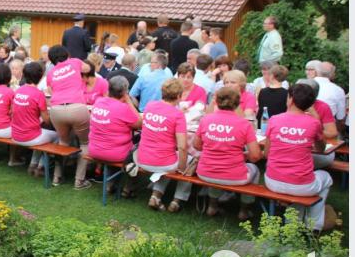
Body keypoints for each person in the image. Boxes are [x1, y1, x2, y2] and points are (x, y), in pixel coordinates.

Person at [263, 83, 332, 231]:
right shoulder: (314, 123)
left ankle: (294, 222)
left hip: (272, 180)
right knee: (326, 177)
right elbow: (321, 149)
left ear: (290, 99)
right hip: (302, 184)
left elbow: (266, 154)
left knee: (302, 183)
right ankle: (314, 225)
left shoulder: (274, 119)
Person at [194, 86, 263, 220]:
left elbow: (197, 145)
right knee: (254, 169)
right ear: (237, 103)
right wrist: (242, 154)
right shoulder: (244, 124)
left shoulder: (206, 120)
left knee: (217, 169)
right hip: (233, 175)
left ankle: (212, 206)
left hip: (205, 172)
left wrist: (215, 148)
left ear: (217, 102)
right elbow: (255, 156)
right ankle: (244, 209)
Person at [135, 78, 191, 212]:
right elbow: (182, 146)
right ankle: (177, 200)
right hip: (161, 161)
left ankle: (156, 196)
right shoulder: (177, 115)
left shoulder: (150, 105)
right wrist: (182, 168)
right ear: (178, 96)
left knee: (167, 162)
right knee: (188, 161)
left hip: (142, 159)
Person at [46, 44, 92, 190]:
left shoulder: (51, 73)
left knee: (63, 141)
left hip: (57, 109)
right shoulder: (75, 62)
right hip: (77, 107)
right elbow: (88, 68)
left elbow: (50, 90)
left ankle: (56, 177)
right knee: (85, 143)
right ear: (66, 54)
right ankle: (79, 181)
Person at [11, 62, 58, 176]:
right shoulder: (38, 94)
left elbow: (14, 111)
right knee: (58, 135)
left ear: (24, 75)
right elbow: (46, 120)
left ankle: (33, 164)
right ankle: (41, 166)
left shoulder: (18, 91)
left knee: (43, 134)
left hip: (15, 135)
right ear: (41, 76)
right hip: (30, 137)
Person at [88, 76, 142, 164]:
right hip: (116, 154)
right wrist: (128, 101)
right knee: (140, 143)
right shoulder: (123, 108)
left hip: (94, 150)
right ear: (125, 92)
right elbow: (140, 124)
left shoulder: (98, 102)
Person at [296, 78, 339, 169]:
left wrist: (312, 131)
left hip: (314, 149)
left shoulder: (322, 107)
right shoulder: (291, 104)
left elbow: (332, 133)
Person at [314, 62, 347, 129]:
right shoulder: (338, 90)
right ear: (332, 74)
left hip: (300, 127)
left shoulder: (302, 84)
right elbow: (340, 117)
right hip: (326, 128)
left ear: (315, 72)